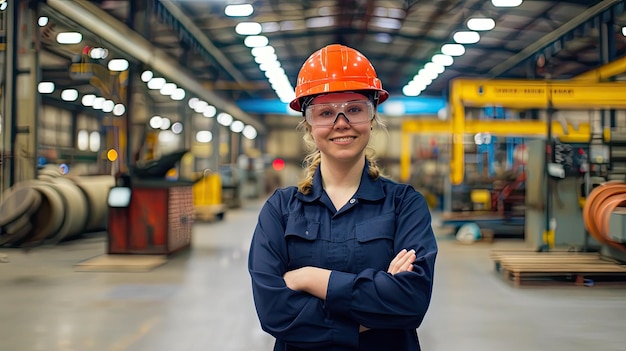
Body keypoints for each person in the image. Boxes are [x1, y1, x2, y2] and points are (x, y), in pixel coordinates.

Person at [248, 44, 437, 351]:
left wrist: (309, 278)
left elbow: (410, 303)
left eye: (354, 109)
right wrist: (373, 310)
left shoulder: (405, 205)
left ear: (372, 116)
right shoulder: (280, 210)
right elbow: (274, 312)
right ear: (308, 124)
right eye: (325, 112)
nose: (341, 123)